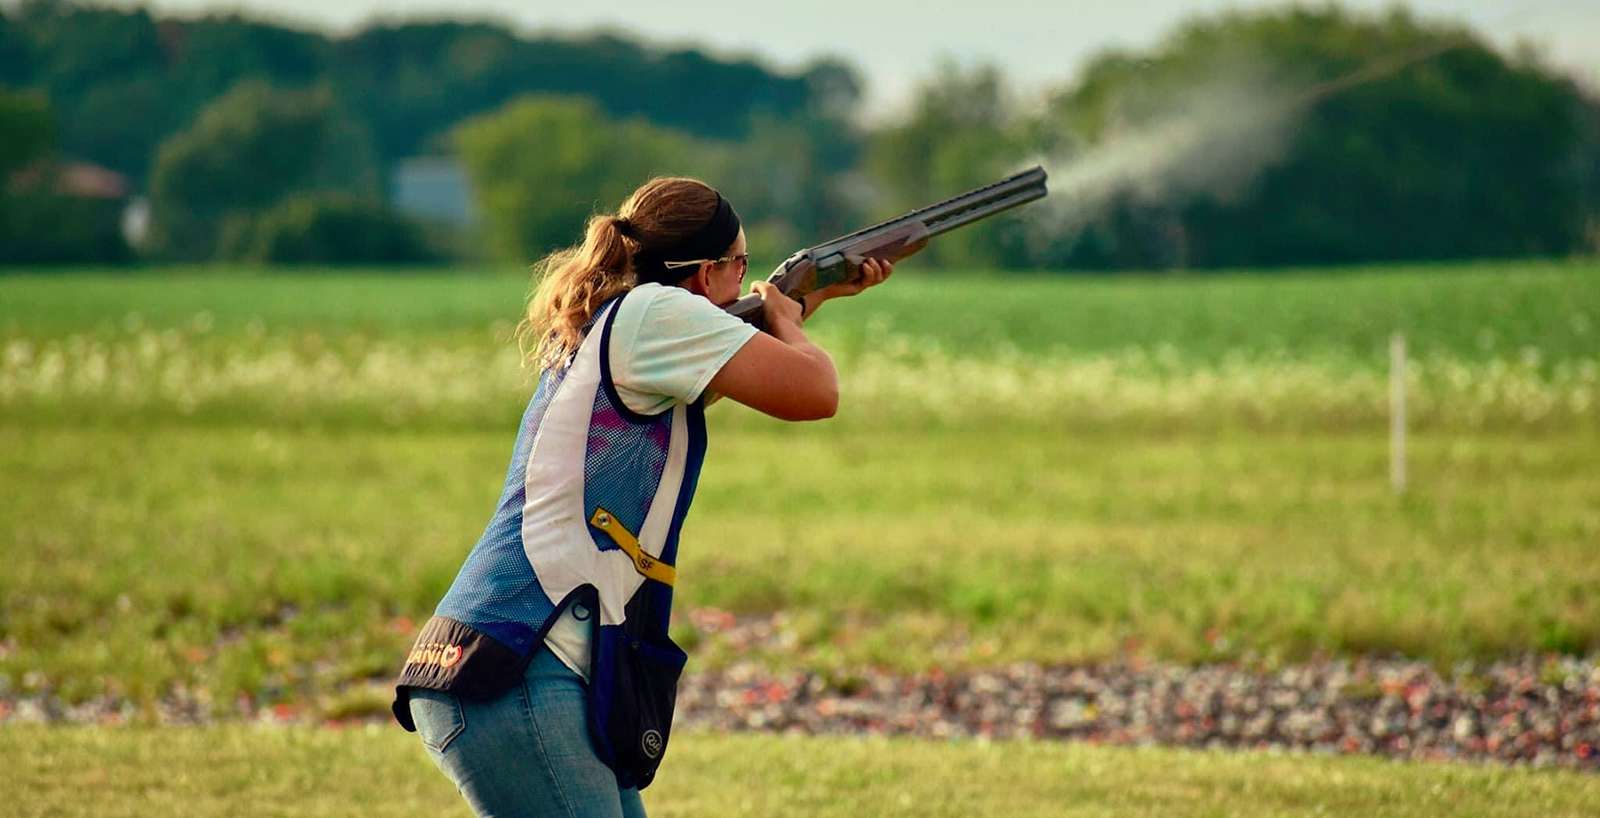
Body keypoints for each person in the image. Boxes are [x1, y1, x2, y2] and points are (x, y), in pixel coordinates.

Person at [389, 176, 891, 818]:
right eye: (740, 266)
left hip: (514, 663)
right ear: (707, 273)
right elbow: (817, 392)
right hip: (517, 670)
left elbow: (742, 370)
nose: (747, 281)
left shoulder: (630, 319)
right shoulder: (656, 314)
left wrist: (798, 307)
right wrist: (787, 319)